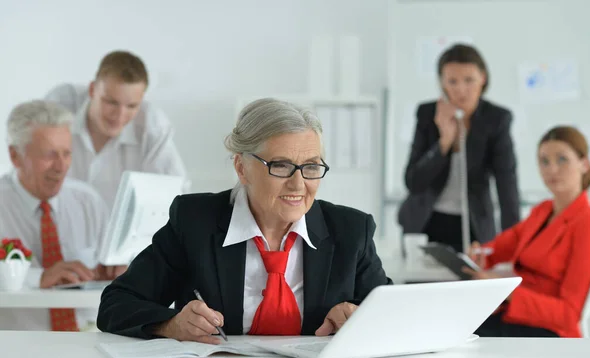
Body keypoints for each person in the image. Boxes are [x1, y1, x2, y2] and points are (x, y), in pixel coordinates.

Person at [97, 98, 392, 342]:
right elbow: (116, 304)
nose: (298, 184)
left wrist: (358, 318)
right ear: (242, 168)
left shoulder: (351, 231)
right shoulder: (194, 222)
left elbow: (395, 318)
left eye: (311, 167)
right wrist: (170, 324)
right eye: (281, 166)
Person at [0, 100, 127, 331]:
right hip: (15, 345)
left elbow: (110, 273)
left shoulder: (88, 201)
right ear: (15, 156)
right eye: (49, 155)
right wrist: (39, 278)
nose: (61, 166)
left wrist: (116, 273)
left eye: (66, 153)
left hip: (86, 338)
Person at [465, 126, 590, 338]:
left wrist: (508, 292)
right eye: (544, 161)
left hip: (548, 329)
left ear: (584, 164)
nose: (551, 169)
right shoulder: (542, 211)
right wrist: (479, 255)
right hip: (513, 316)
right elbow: (500, 248)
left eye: (562, 159)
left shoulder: (589, 223)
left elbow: (569, 314)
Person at [398, 44, 520, 253]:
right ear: (442, 83)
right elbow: (414, 181)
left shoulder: (496, 119)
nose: (461, 89)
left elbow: (506, 183)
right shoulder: (428, 114)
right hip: (426, 222)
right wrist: (444, 142)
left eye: (469, 80)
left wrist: (514, 242)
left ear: (483, 78)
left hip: (473, 226)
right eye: (452, 81)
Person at [44, 50, 188, 208]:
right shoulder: (59, 106)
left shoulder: (152, 127)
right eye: (111, 102)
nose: (120, 115)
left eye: (131, 106)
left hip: (119, 228)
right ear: (92, 90)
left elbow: (174, 192)